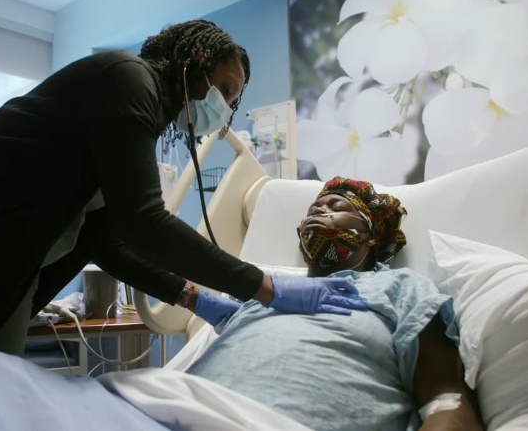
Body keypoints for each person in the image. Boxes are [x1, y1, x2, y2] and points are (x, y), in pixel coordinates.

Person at [0, 21, 358, 431]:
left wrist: (194, 298)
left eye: (234, 102)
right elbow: (142, 222)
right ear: (193, 61)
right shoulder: (128, 81)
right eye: (224, 88)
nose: (227, 107)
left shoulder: (137, 121)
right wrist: (267, 287)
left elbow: (107, 238)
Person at [187, 177, 486, 431]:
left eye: (336, 206)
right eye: (314, 208)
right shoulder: (266, 292)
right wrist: (189, 295)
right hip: (176, 409)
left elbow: (446, 399)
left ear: (371, 238)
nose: (320, 210)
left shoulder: (399, 286)